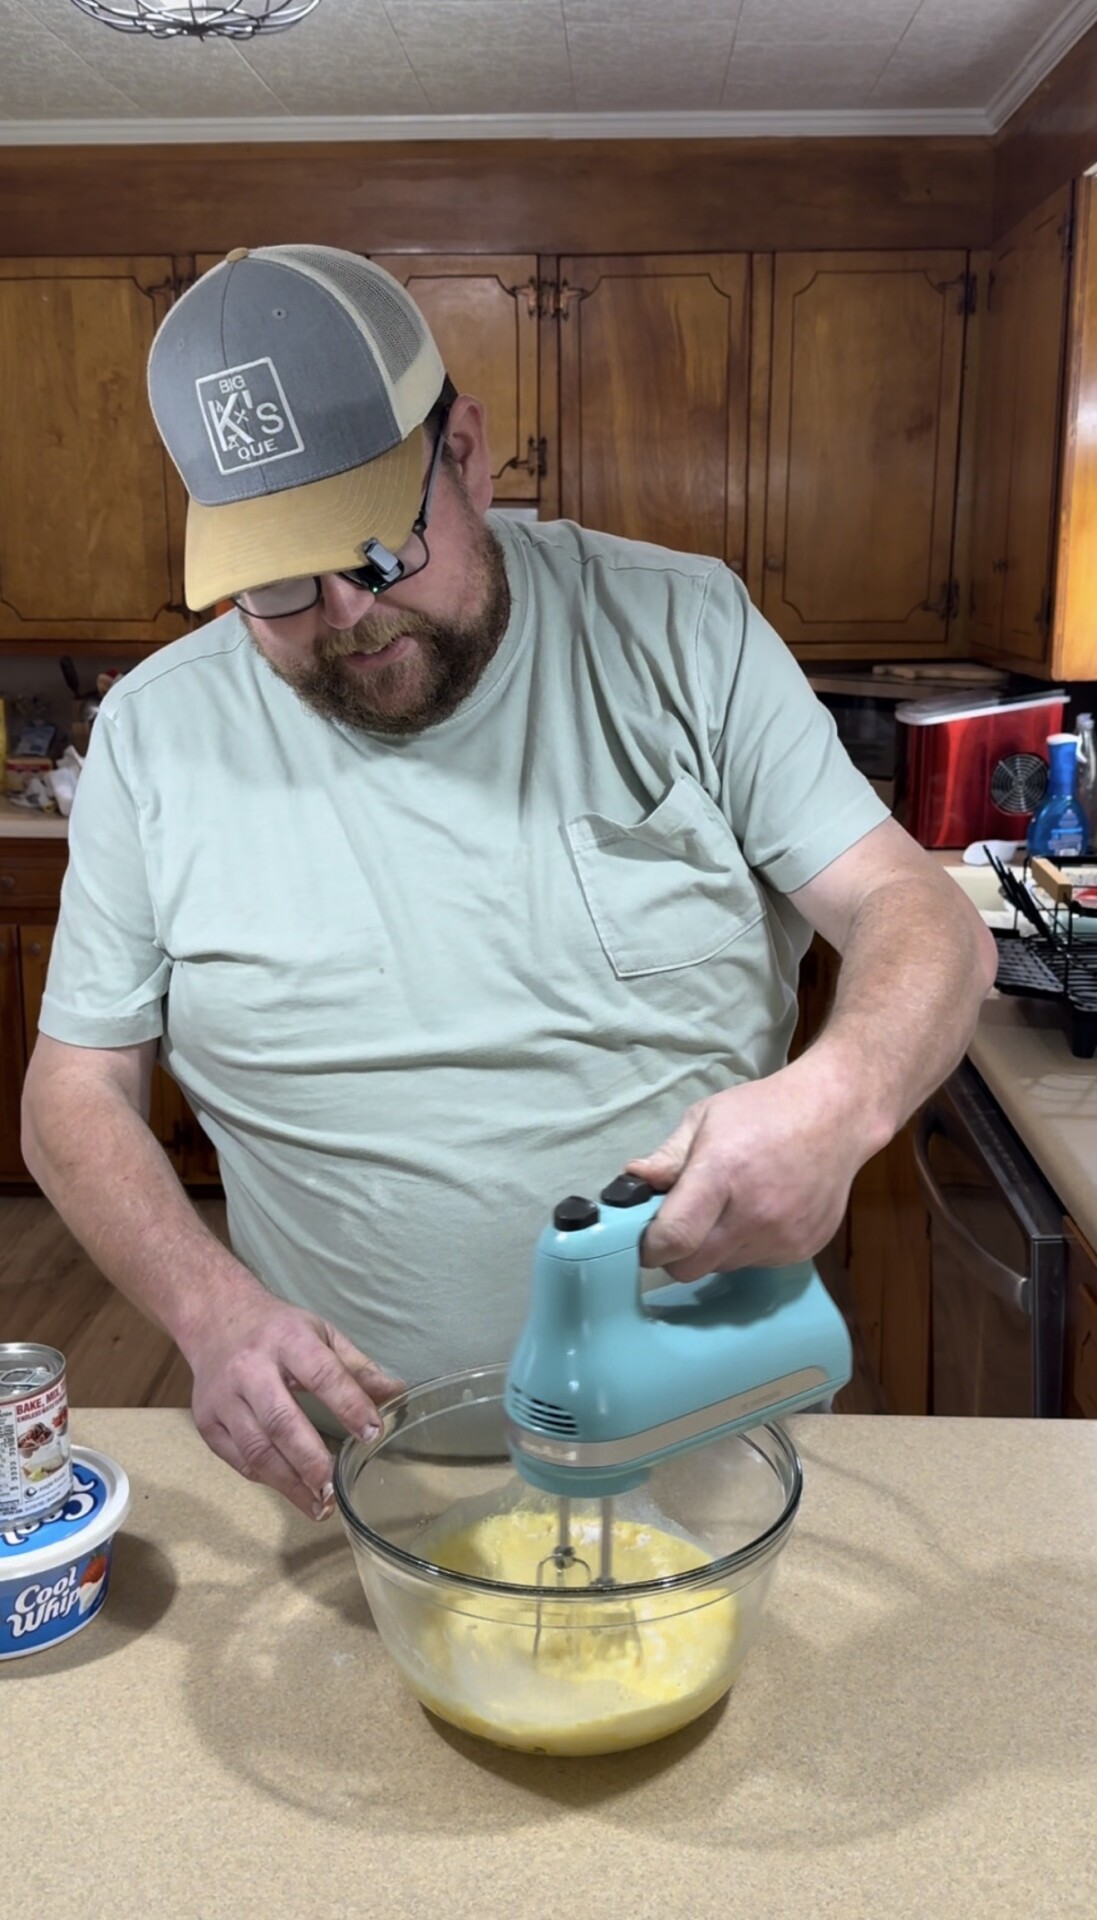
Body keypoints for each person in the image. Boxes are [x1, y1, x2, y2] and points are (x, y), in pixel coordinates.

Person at [21, 245, 998, 1522]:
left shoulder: (681, 630)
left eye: (373, 548)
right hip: (352, 1462)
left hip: (705, 1437)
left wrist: (843, 1094)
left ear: (466, 454)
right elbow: (71, 1090)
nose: (340, 616)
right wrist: (208, 1314)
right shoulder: (155, 736)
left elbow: (913, 910)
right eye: (273, 584)